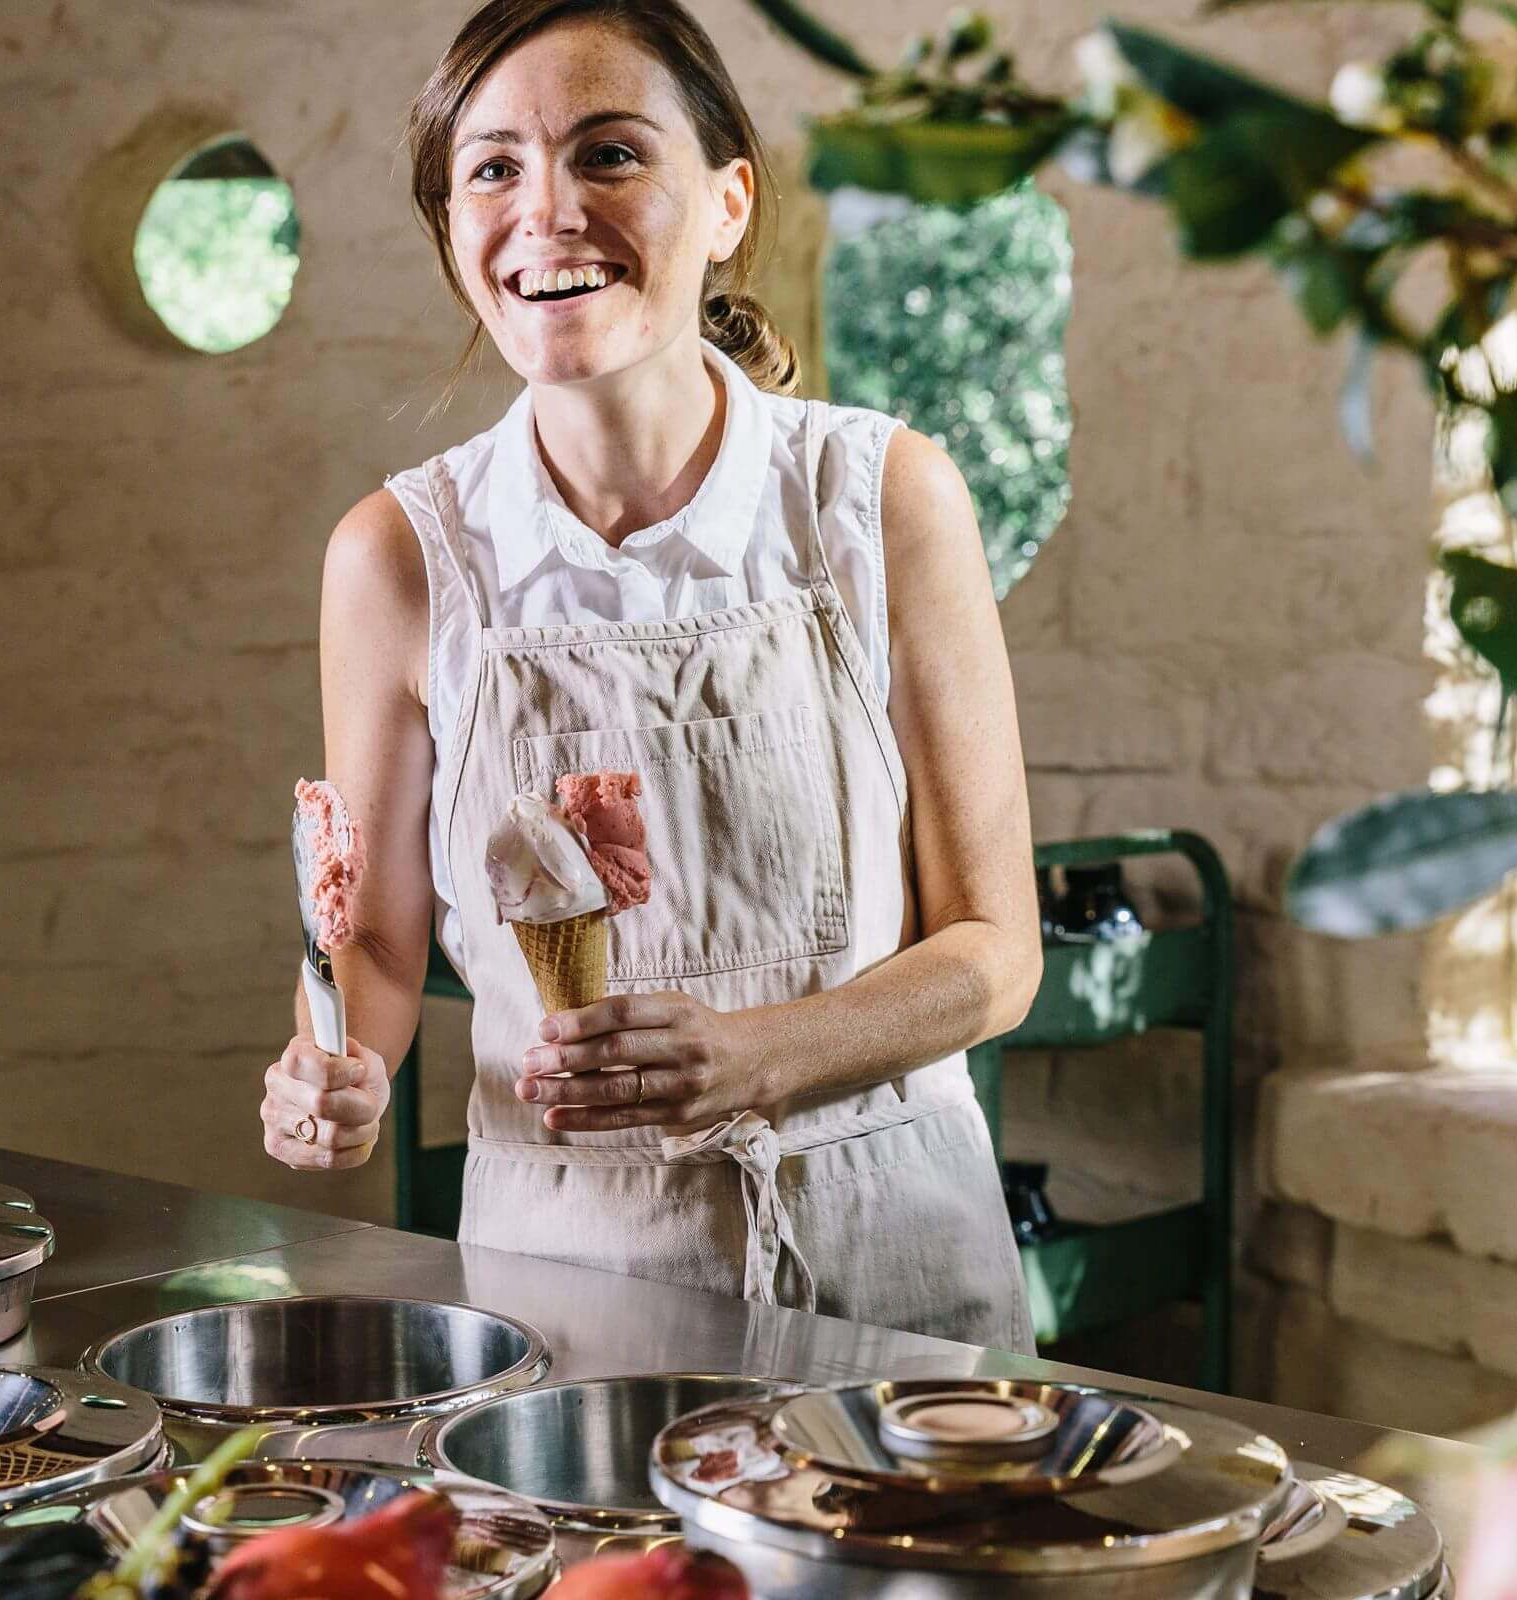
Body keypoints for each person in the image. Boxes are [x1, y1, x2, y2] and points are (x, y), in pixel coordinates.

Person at [260, 0, 1040, 1349]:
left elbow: (995, 953)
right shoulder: (397, 556)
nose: (548, 211)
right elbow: (375, 944)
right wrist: (336, 1064)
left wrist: (757, 1058)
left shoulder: (881, 500)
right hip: (567, 1281)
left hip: (892, 1263)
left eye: (609, 154)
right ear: (454, 230)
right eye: (494, 168)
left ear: (728, 199)